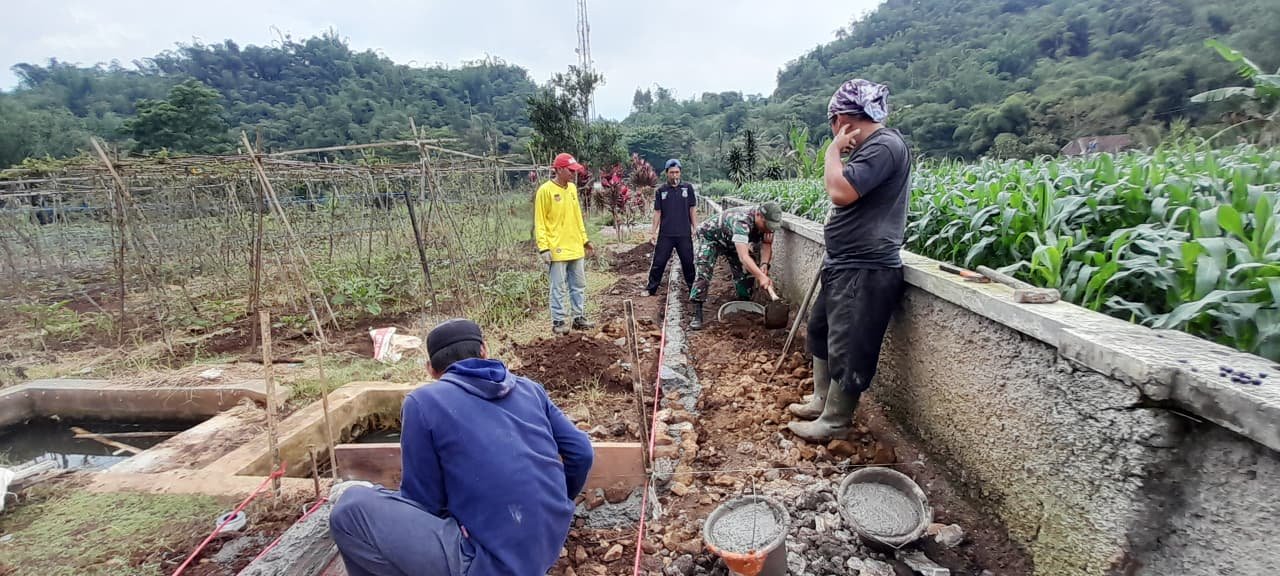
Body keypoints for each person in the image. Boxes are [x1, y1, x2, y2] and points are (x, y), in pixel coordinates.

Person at [329, 318, 594, 576]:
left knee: (350, 509)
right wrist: (553, 505)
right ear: (484, 350)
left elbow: (423, 503)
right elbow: (581, 452)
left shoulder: (423, 403)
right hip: (545, 547)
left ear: (431, 370)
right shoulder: (530, 389)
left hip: (485, 562)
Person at [787, 79, 912, 442]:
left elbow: (840, 192)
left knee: (849, 345)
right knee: (822, 331)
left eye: (833, 125)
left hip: (865, 267)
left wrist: (832, 152)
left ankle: (835, 422)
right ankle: (821, 400)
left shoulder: (884, 146)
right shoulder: (872, 148)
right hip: (845, 263)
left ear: (840, 119)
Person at [687, 202, 782, 330]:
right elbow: (744, 257)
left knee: (745, 273)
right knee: (704, 270)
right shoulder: (742, 221)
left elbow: (767, 244)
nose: (769, 229)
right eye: (767, 225)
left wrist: (764, 264)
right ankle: (697, 312)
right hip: (711, 237)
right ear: (759, 215)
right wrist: (761, 277)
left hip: (733, 242)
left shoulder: (768, 225)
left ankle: (744, 304)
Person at [535, 153, 595, 335]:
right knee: (558, 287)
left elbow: (577, 217)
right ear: (559, 170)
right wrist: (543, 248)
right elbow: (540, 222)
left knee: (579, 285)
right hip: (557, 249)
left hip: (575, 246)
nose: (573, 174)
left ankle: (578, 317)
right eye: (570, 170)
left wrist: (585, 240)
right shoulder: (545, 191)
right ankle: (559, 321)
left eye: (574, 171)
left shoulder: (572, 189)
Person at [645, 159, 698, 296]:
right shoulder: (661, 191)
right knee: (659, 262)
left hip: (684, 234)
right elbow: (657, 212)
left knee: (688, 263)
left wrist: (695, 227)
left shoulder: (688, 188)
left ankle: (693, 290)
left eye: (677, 172)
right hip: (666, 234)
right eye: (672, 172)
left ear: (680, 173)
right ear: (667, 173)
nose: (675, 175)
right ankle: (651, 289)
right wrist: (653, 232)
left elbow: (692, 209)